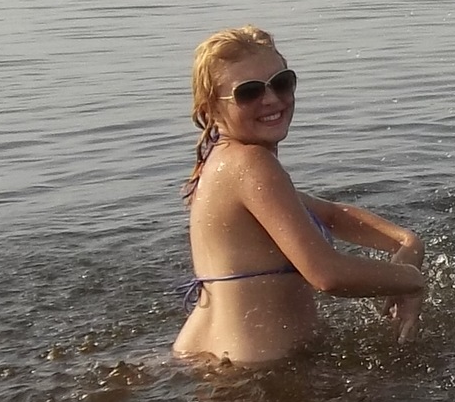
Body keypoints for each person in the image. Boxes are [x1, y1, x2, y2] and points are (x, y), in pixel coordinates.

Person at [174, 26, 427, 365]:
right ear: (210, 108)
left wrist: (405, 242)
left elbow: (330, 215)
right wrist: (412, 282)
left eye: (281, 83)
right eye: (249, 92)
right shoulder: (251, 163)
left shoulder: (226, 162)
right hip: (255, 374)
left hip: (211, 360)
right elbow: (327, 274)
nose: (271, 99)